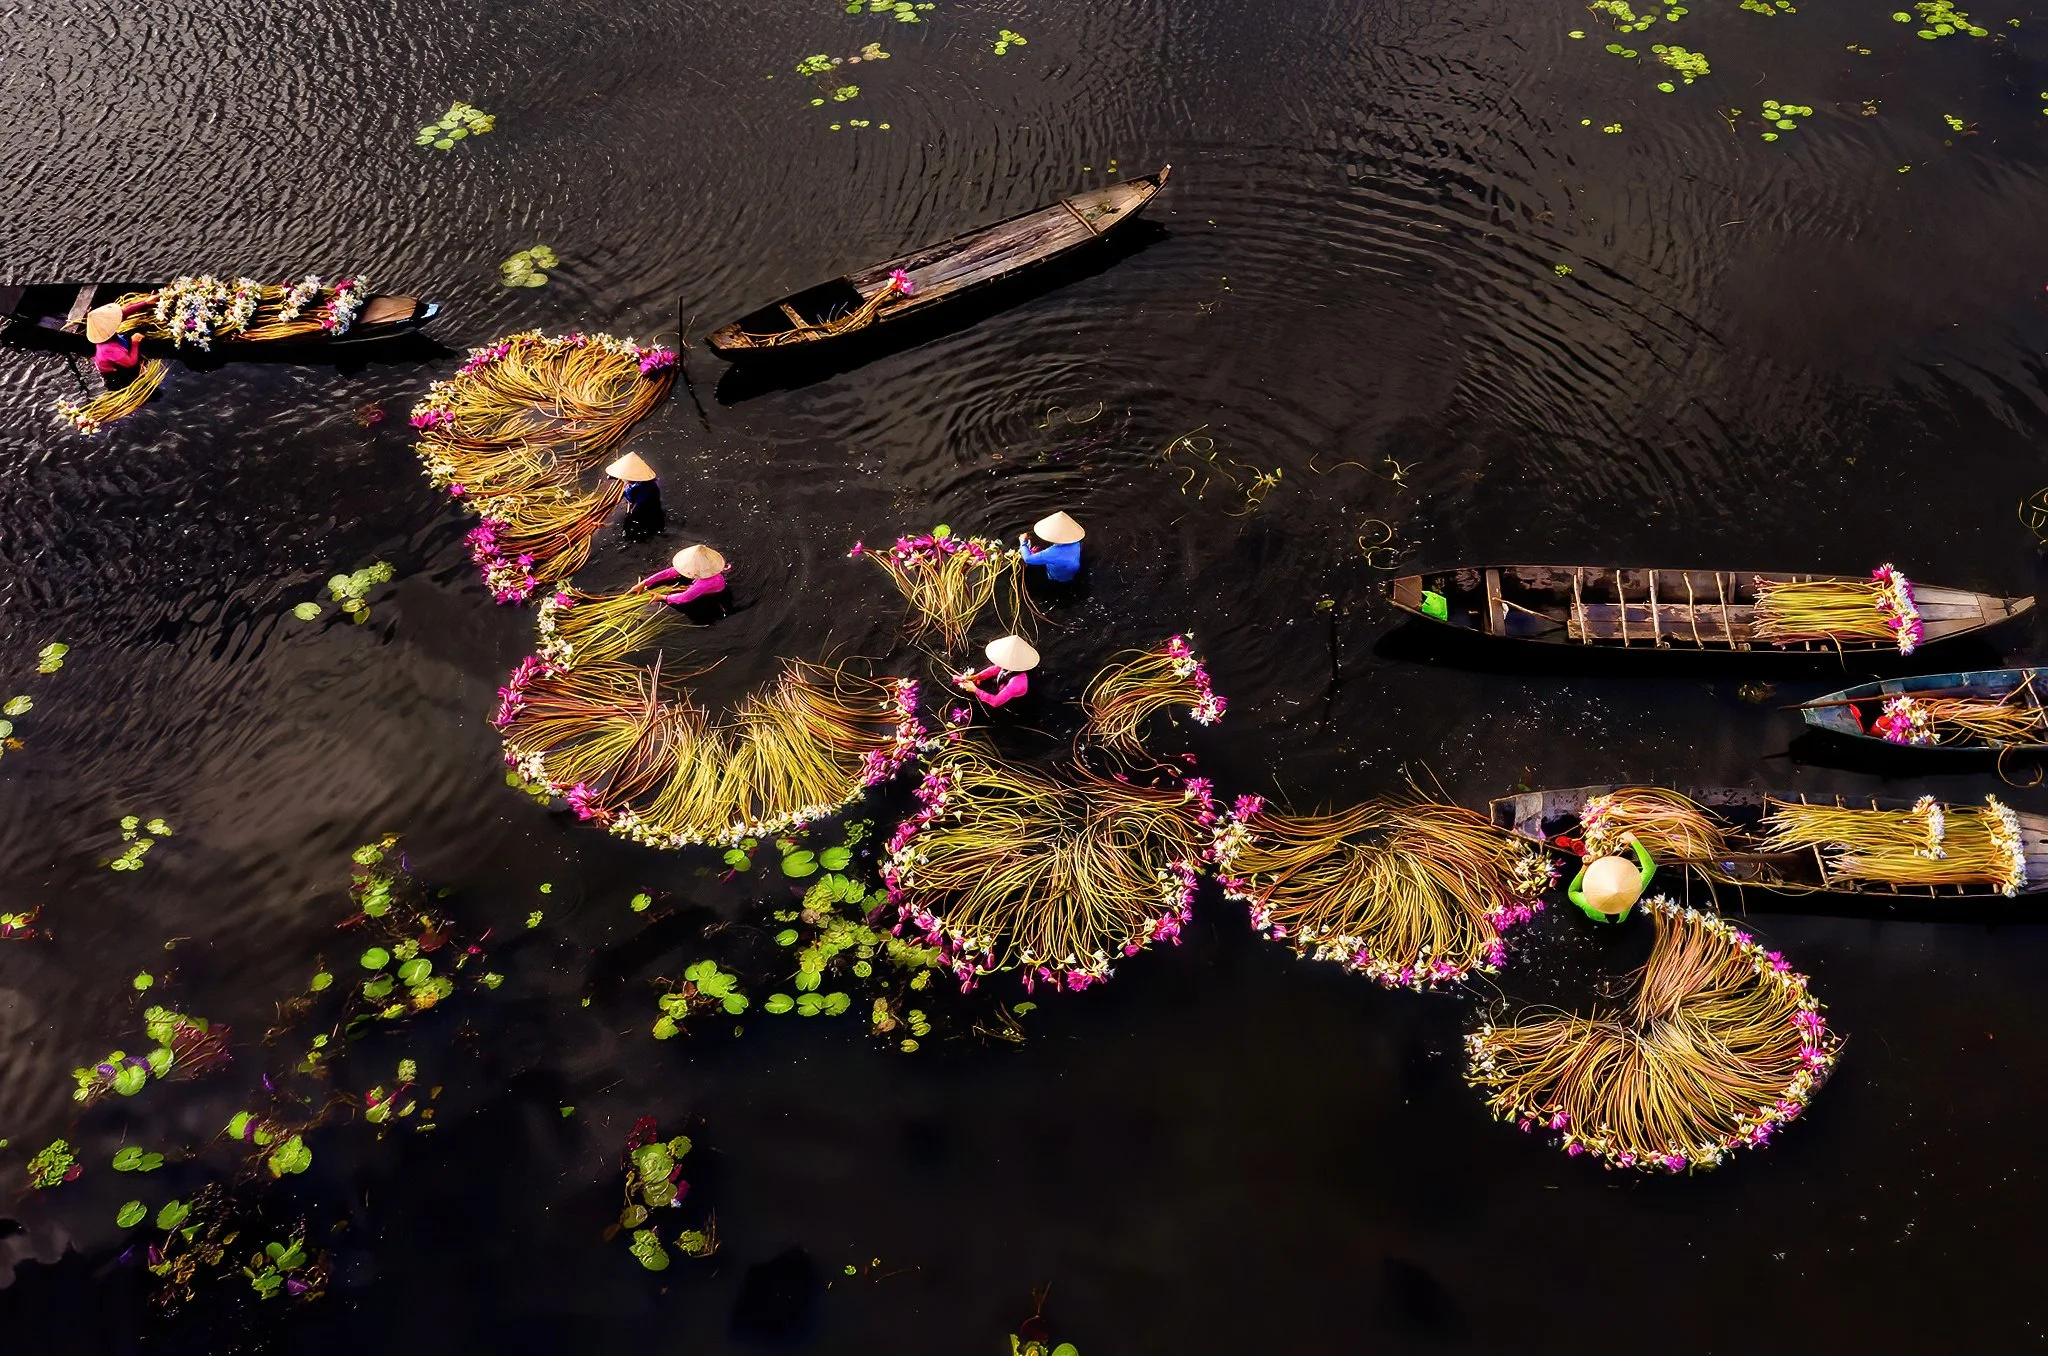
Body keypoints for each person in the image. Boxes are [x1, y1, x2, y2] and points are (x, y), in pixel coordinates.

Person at [1567, 832, 1656, 923]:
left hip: (1602, 917)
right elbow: (1650, 868)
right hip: (1621, 918)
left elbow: (1572, 892)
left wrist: (1585, 867)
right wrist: (1633, 840)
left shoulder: (1587, 903)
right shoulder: (1633, 889)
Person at [955, 634, 1039, 709]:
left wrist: (975, 690)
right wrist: (978, 676)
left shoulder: (1017, 682)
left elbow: (996, 702)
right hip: (1005, 683)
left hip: (1015, 702)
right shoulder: (1012, 664)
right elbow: (995, 669)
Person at [636, 544, 727, 606]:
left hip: (712, 595)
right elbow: (669, 572)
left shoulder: (704, 583)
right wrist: (644, 583)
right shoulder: (708, 566)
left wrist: (663, 597)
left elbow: (686, 597)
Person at [1018, 511, 1085, 582]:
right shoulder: (1075, 541)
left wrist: (1023, 542)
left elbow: (1028, 559)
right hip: (1072, 571)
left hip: (1057, 578)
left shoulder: (1052, 552)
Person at [607, 452, 664, 533]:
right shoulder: (640, 481)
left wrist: (631, 512)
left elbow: (635, 500)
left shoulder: (643, 488)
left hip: (646, 510)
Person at [86, 303, 143, 381]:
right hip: (115, 369)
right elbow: (130, 363)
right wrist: (135, 343)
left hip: (119, 345)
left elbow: (124, 313)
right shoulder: (108, 348)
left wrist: (145, 302)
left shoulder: (103, 330)